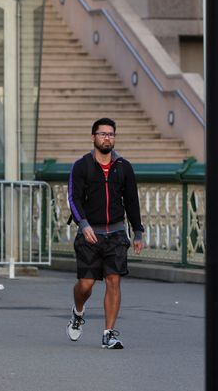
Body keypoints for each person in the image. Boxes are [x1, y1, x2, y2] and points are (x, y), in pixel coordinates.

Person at [66, 118, 144, 349]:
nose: (107, 138)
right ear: (93, 137)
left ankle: (108, 333)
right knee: (86, 285)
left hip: (117, 233)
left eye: (111, 134)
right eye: (102, 134)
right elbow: (73, 198)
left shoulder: (123, 166)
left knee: (113, 280)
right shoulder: (82, 166)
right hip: (90, 233)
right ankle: (78, 312)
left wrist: (137, 231)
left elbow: (132, 200)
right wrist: (84, 224)